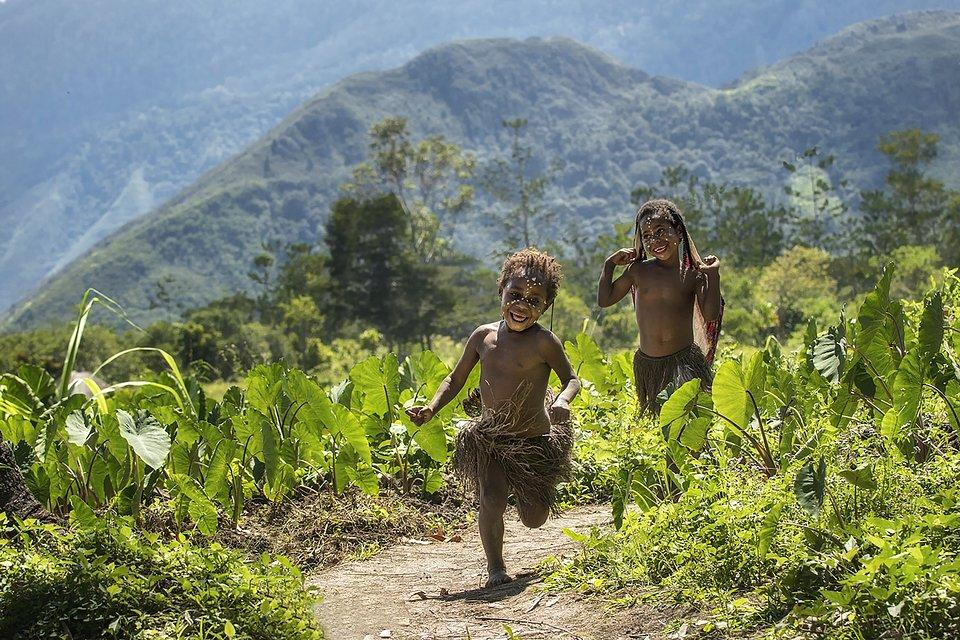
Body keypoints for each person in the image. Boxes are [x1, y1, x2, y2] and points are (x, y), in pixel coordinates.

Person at [407, 247, 581, 588]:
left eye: (534, 300)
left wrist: (561, 400)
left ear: (546, 306)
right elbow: (454, 380)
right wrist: (431, 408)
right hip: (491, 439)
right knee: (491, 499)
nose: (522, 305)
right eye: (515, 295)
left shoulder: (545, 342)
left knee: (533, 518)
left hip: (534, 441)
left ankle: (532, 493)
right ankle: (495, 568)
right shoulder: (483, 337)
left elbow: (571, 379)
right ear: (501, 289)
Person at [597, 198, 723, 413]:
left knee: (689, 422)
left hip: (684, 362)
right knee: (661, 425)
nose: (654, 240)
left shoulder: (692, 275)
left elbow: (711, 314)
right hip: (650, 366)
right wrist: (609, 265)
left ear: (679, 233)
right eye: (647, 236)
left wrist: (713, 276)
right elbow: (605, 299)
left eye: (661, 231)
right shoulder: (639, 271)